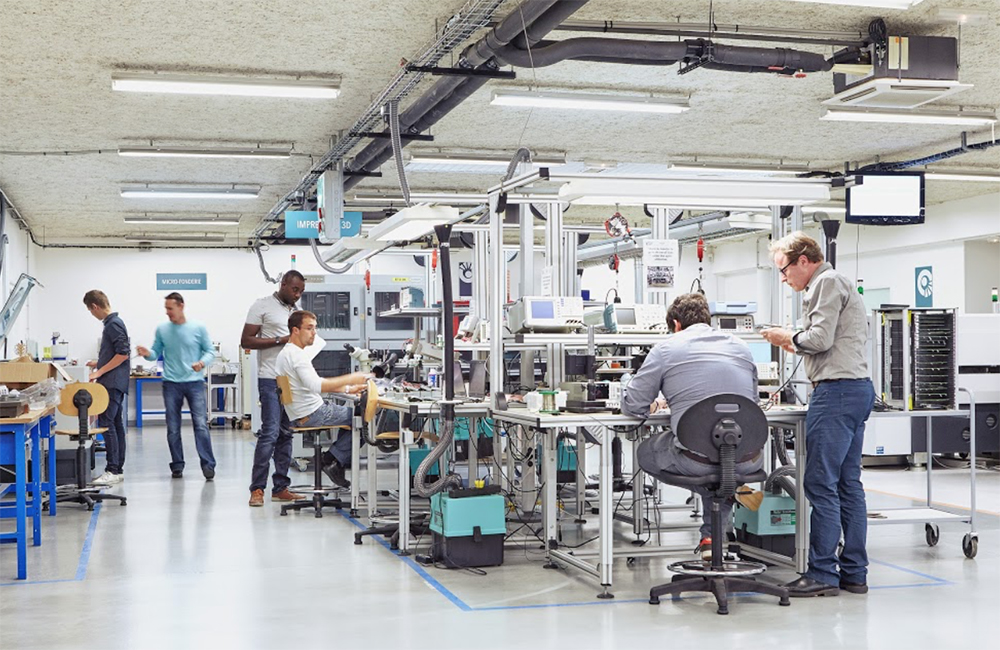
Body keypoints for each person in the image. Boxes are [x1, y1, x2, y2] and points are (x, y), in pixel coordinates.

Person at [761, 231, 875, 598]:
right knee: (848, 484)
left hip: (837, 392)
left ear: (804, 261)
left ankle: (823, 573)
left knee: (820, 485)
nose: (784, 278)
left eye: (784, 270)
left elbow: (821, 339)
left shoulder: (825, 282)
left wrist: (787, 338)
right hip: (856, 389)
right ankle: (854, 574)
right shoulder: (839, 283)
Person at [623, 293, 760, 559]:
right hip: (748, 457)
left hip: (697, 460)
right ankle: (713, 536)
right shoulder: (741, 347)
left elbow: (633, 405)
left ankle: (715, 525)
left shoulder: (666, 349)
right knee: (721, 460)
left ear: (675, 324)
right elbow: (752, 405)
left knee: (650, 451)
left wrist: (631, 382)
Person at [275, 310, 371, 489]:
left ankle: (336, 460)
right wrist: (354, 377)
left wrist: (349, 389)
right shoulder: (298, 355)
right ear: (295, 330)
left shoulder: (285, 354)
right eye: (309, 328)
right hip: (314, 413)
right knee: (368, 420)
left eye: (315, 328)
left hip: (301, 413)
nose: (314, 333)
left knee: (354, 415)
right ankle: (332, 460)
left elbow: (310, 385)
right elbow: (317, 386)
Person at [242, 270, 308, 507]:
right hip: (270, 378)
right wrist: (280, 340)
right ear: (283, 284)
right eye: (294, 289)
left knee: (286, 433)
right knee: (269, 433)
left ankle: (281, 487)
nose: (298, 294)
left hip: (291, 381)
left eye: (301, 291)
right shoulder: (262, 306)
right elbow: (246, 341)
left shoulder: (296, 312)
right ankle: (257, 489)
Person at [137, 292, 217, 480]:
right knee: (173, 427)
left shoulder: (198, 328)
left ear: (181, 306)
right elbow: (155, 353)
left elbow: (210, 351)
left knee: (200, 425)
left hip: (195, 382)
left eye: (170, 308)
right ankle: (177, 465)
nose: (167, 312)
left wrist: (202, 363)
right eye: (166, 309)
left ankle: (208, 465)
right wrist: (146, 353)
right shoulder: (162, 329)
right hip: (171, 383)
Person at [83, 290, 131, 486]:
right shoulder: (113, 324)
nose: (92, 314)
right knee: (116, 424)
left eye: (90, 310)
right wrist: (98, 362)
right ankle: (117, 469)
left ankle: (112, 469)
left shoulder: (113, 324)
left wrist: (100, 371)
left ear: (95, 306)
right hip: (114, 381)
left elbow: (123, 354)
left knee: (107, 422)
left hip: (112, 383)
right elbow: (115, 353)